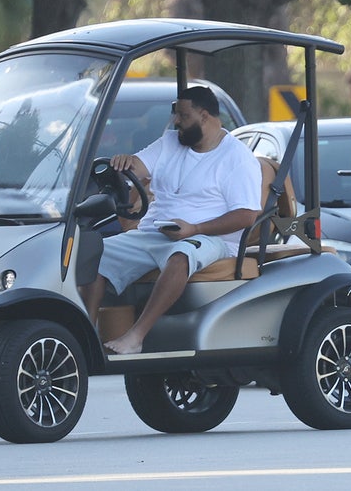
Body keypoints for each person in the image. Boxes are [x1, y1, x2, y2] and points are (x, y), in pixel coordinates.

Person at [82, 86, 262, 354]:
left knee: (180, 255)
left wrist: (195, 228)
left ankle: (136, 336)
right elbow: (136, 168)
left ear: (204, 116)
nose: (176, 122)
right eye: (175, 115)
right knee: (94, 254)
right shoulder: (170, 141)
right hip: (154, 232)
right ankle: (84, 336)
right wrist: (122, 164)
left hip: (210, 238)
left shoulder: (237, 158)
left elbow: (246, 215)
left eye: (183, 115)